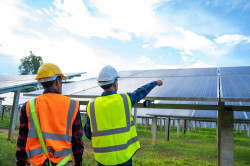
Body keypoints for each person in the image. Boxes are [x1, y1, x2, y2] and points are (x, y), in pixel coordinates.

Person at [84, 65, 163, 166]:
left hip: (104, 160)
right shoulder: (125, 99)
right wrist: (155, 83)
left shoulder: (91, 106)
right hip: (124, 157)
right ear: (115, 83)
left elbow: (88, 134)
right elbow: (141, 92)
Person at [16, 63, 84, 166]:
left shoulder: (28, 106)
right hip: (63, 163)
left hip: (36, 163)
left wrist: (20, 163)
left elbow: (22, 141)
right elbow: (77, 140)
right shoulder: (72, 105)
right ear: (57, 80)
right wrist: (78, 162)